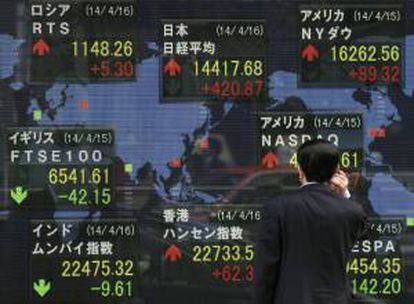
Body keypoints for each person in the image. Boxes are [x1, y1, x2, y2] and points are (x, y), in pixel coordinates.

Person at [253, 139, 366, 304]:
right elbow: (364, 230)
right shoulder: (351, 210)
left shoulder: (277, 209)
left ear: (300, 170)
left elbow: (266, 270)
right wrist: (345, 195)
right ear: (335, 170)